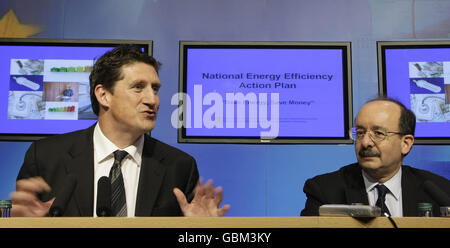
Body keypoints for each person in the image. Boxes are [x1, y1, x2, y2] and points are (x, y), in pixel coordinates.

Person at [10, 45, 230, 217]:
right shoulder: (47, 157)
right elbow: (25, 218)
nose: (152, 100)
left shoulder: (179, 166)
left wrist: (200, 232)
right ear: (103, 95)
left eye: (155, 89)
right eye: (138, 87)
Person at [300, 97, 449, 217]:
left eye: (378, 133)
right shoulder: (325, 190)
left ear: (406, 143)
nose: (365, 143)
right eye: (360, 133)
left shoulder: (440, 192)